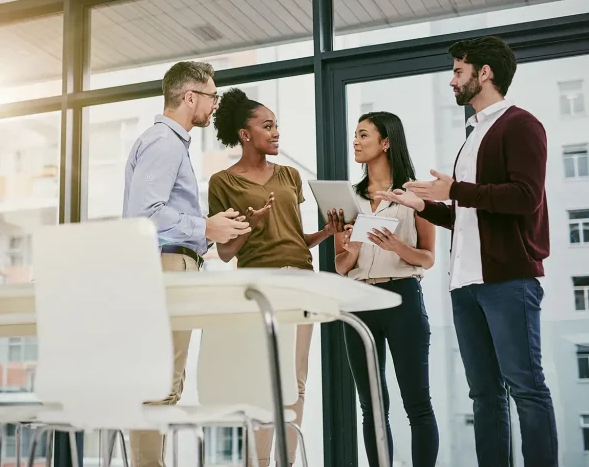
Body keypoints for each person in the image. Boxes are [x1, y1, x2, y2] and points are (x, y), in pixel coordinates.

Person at [377, 36, 558, 467]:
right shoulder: (473, 134)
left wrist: (454, 189)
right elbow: (470, 216)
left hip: (508, 282)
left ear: (485, 73)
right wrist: (424, 205)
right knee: (484, 395)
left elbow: (525, 197)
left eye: (459, 71)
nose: (452, 80)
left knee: (527, 389)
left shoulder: (521, 125)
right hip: (466, 284)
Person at [123, 61, 252, 467]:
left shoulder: (168, 142)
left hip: (170, 265)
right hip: (168, 266)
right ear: (189, 96)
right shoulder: (164, 142)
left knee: (161, 382)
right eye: (212, 95)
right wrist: (206, 227)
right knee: (158, 384)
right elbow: (146, 214)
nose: (215, 104)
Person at [207, 88, 336, 467]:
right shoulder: (223, 182)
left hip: (301, 281)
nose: (276, 132)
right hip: (259, 286)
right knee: (263, 380)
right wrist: (250, 225)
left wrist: (326, 233)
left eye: (277, 125)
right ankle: (258, 463)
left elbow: (294, 240)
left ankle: (286, 462)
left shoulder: (290, 176)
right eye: (268, 126)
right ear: (246, 134)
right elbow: (226, 251)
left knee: (296, 379)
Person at [328, 111, 438, 467]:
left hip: (402, 298)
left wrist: (396, 247)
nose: (355, 142)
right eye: (355, 135)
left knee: (417, 403)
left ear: (386, 142)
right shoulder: (349, 198)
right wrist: (352, 249)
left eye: (363, 135)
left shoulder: (414, 194)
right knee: (372, 405)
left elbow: (427, 257)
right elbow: (340, 267)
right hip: (359, 301)